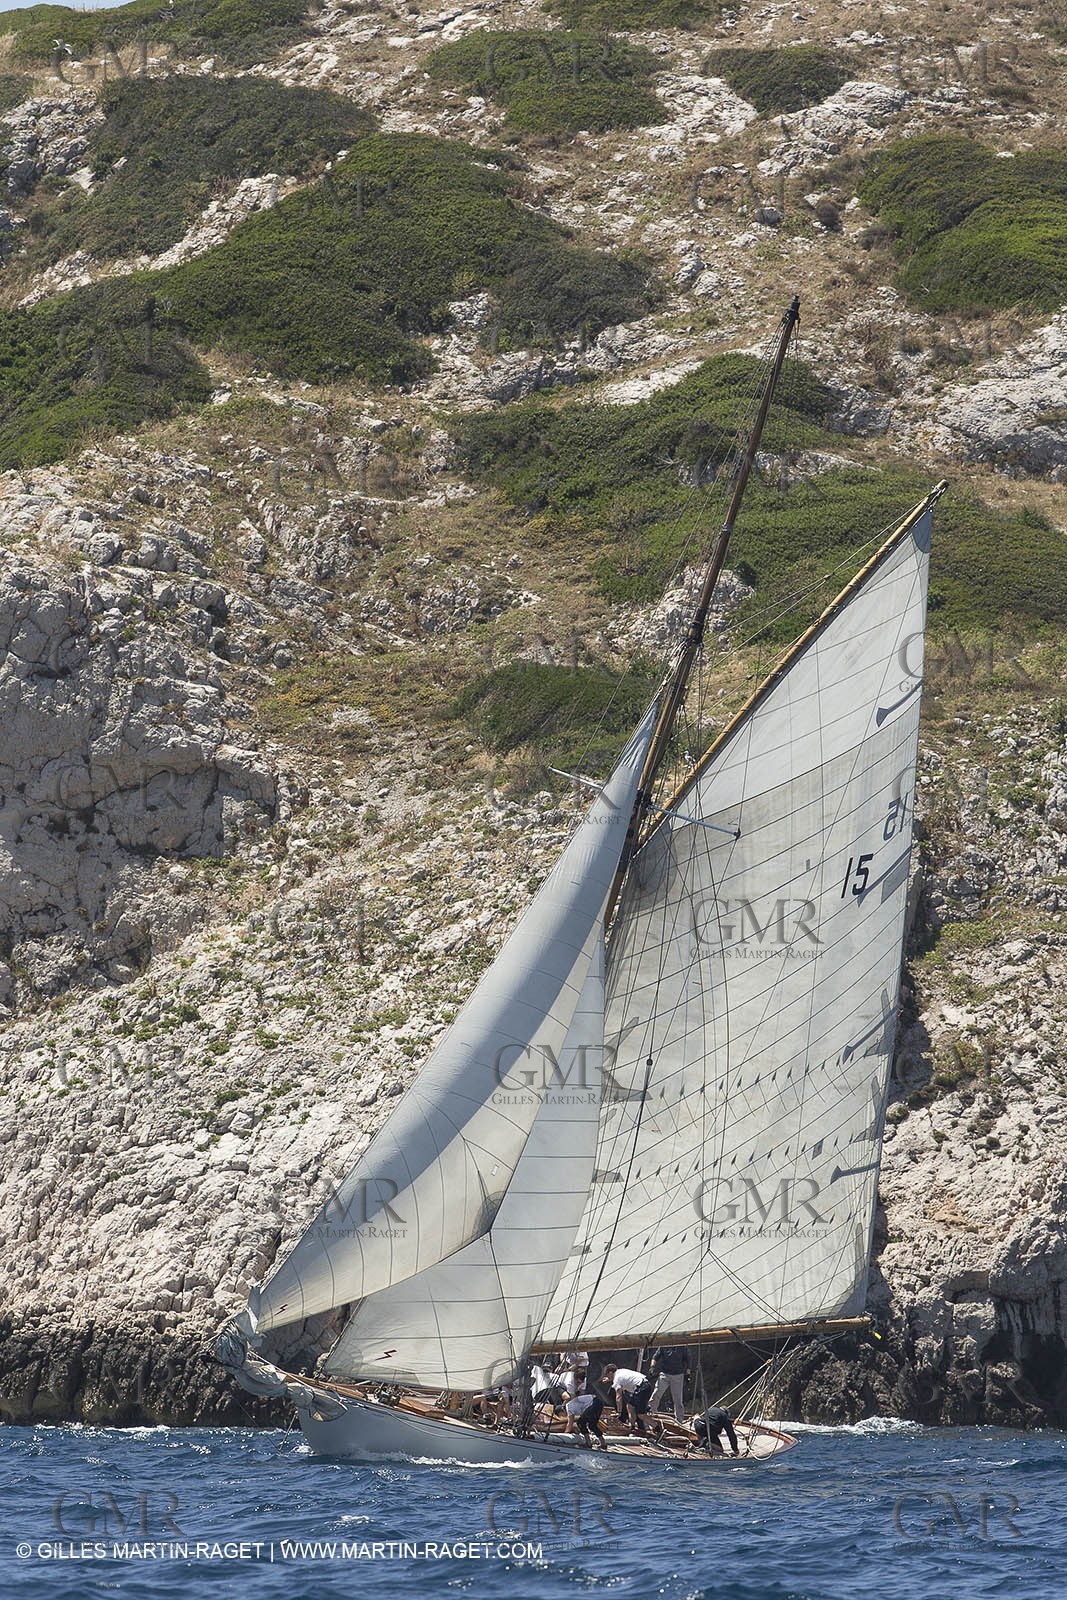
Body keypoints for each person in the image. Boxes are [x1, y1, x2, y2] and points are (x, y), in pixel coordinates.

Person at [602, 1363, 653, 1436]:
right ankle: (634, 1428)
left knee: (639, 1413)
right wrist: (609, 1379)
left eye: (607, 1375)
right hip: (644, 1385)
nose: (607, 1377)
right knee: (631, 1407)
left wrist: (619, 1412)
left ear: (610, 1373)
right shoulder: (620, 1371)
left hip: (641, 1388)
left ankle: (653, 1428)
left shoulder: (617, 1378)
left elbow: (618, 1397)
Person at [648, 1345, 690, 1422]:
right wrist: (652, 1367)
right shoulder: (664, 1344)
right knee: (656, 1394)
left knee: (678, 1399)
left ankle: (679, 1420)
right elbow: (655, 1356)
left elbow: (688, 1359)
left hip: (678, 1375)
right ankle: (650, 1415)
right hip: (664, 1374)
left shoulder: (682, 1346)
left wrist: (688, 1373)